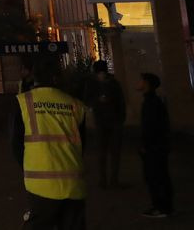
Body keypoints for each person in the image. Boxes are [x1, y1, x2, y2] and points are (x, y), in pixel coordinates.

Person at [10, 58, 87, 230]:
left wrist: (29, 166)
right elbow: (83, 144)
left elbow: (16, 145)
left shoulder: (24, 102)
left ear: (33, 76)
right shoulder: (75, 104)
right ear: (58, 78)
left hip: (41, 183)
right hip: (74, 181)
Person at [85, 60, 125, 189]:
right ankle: (106, 180)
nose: (101, 75)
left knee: (109, 152)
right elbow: (88, 99)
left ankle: (111, 180)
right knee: (105, 152)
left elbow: (120, 102)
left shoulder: (110, 84)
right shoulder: (105, 84)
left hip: (110, 121)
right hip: (105, 121)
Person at [138, 72, 172, 218]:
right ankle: (163, 205)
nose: (139, 83)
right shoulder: (153, 101)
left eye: (141, 80)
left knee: (156, 177)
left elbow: (151, 126)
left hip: (154, 147)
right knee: (159, 176)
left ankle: (161, 207)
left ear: (147, 84)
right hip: (158, 146)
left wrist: (145, 145)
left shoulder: (151, 102)